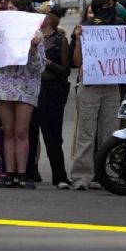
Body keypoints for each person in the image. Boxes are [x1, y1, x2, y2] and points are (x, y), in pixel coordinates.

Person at [69, 0, 123, 192]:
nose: (111, 8)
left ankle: (104, 176)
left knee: (110, 134)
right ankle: (81, 177)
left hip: (112, 87)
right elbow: (76, 62)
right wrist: (77, 40)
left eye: (113, 5)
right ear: (98, 8)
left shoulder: (120, 27)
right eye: (107, 5)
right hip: (91, 86)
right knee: (86, 133)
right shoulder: (88, 28)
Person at [0, 0, 45, 189]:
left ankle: (22, 174)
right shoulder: (0, 31)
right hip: (4, 85)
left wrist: (33, 47)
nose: (9, 10)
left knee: (22, 131)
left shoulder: (36, 33)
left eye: (14, 8)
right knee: (8, 131)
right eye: (9, 8)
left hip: (25, 86)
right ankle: (9, 173)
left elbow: (39, 66)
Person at [28, 11, 71, 188]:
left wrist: (48, 63)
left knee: (52, 134)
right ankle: (30, 172)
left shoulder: (60, 40)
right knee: (30, 132)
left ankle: (59, 176)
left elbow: (66, 70)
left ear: (50, 20)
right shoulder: (30, 37)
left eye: (43, 15)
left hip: (52, 90)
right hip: (31, 88)